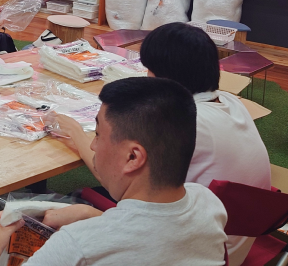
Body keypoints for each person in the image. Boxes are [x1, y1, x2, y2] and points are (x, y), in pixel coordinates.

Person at [52, 22, 271, 266]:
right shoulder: (230, 102)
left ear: (165, 80)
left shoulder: (183, 122)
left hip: (193, 246)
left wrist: (77, 134)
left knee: (73, 201)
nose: (146, 77)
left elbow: (114, 172)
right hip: (228, 237)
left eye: (149, 70)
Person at [0, 77, 228, 266]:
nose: (93, 146)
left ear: (133, 157)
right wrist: (92, 214)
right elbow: (149, 235)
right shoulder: (208, 203)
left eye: (98, 135)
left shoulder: (79, 245)